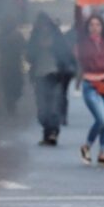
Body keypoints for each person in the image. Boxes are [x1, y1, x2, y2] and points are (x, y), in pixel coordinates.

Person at [75, 0, 104, 167]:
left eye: (98, 24)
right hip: (91, 85)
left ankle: (103, 154)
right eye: (91, 24)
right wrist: (78, 4)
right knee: (103, 119)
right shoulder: (83, 41)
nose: (95, 27)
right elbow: (78, 22)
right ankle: (86, 146)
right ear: (87, 27)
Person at [27, 12, 75, 146]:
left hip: (56, 75)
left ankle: (53, 132)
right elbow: (28, 56)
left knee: (54, 107)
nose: (44, 28)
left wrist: (67, 70)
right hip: (39, 76)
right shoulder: (34, 39)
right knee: (42, 110)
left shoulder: (58, 38)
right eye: (41, 25)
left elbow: (66, 54)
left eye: (46, 25)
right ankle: (46, 133)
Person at [0, 16, 26, 116]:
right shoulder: (1, 35)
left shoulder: (18, 35)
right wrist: (11, 39)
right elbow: (1, 46)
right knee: (8, 89)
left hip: (16, 64)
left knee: (18, 86)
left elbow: (24, 46)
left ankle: (13, 104)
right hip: (5, 65)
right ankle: (11, 110)